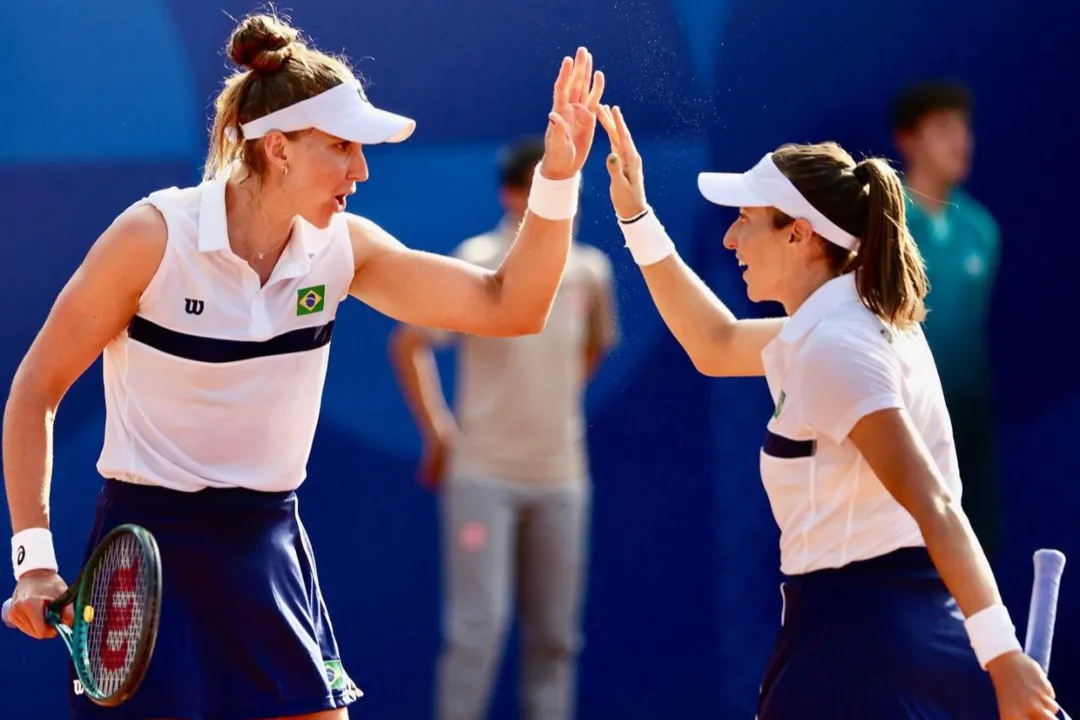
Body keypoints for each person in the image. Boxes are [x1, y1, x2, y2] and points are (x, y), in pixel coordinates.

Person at [3, 11, 605, 720]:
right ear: (279, 148)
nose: (362, 170)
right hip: (148, 546)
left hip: (266, 540)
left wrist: (558, 182)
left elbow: (512, 307)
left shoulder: (345, 247)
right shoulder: (151, 238)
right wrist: (33, 561)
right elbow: (37, 389)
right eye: (343, 147)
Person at [593, 104, 1057, 719]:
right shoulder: (842, 325)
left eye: (745, 220)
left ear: (799, 233)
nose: (730, 238)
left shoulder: (838, 347)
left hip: (856, 646)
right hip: (884, 630)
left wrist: (1004, 659)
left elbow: (934, 504)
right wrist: (636, 214)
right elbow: (715, 342)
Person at [388, 136, 620, 720]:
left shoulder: (591, 271)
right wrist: (440, 432)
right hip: (483, 476)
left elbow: (592, 348)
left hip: (562, 477)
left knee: (557, 640)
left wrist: (551, 405)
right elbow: (409, 343)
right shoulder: (477, 257)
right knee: (477, 633)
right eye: (539, 187)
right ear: (513, 194)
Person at [892, 81, 1002, 559]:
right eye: (943, 128)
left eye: (963, 127)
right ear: (908, 140)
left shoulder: (982, 229)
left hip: (967, 425)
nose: (960, 140)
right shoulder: (881, 220)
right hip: (898, 420)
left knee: (973, 558)